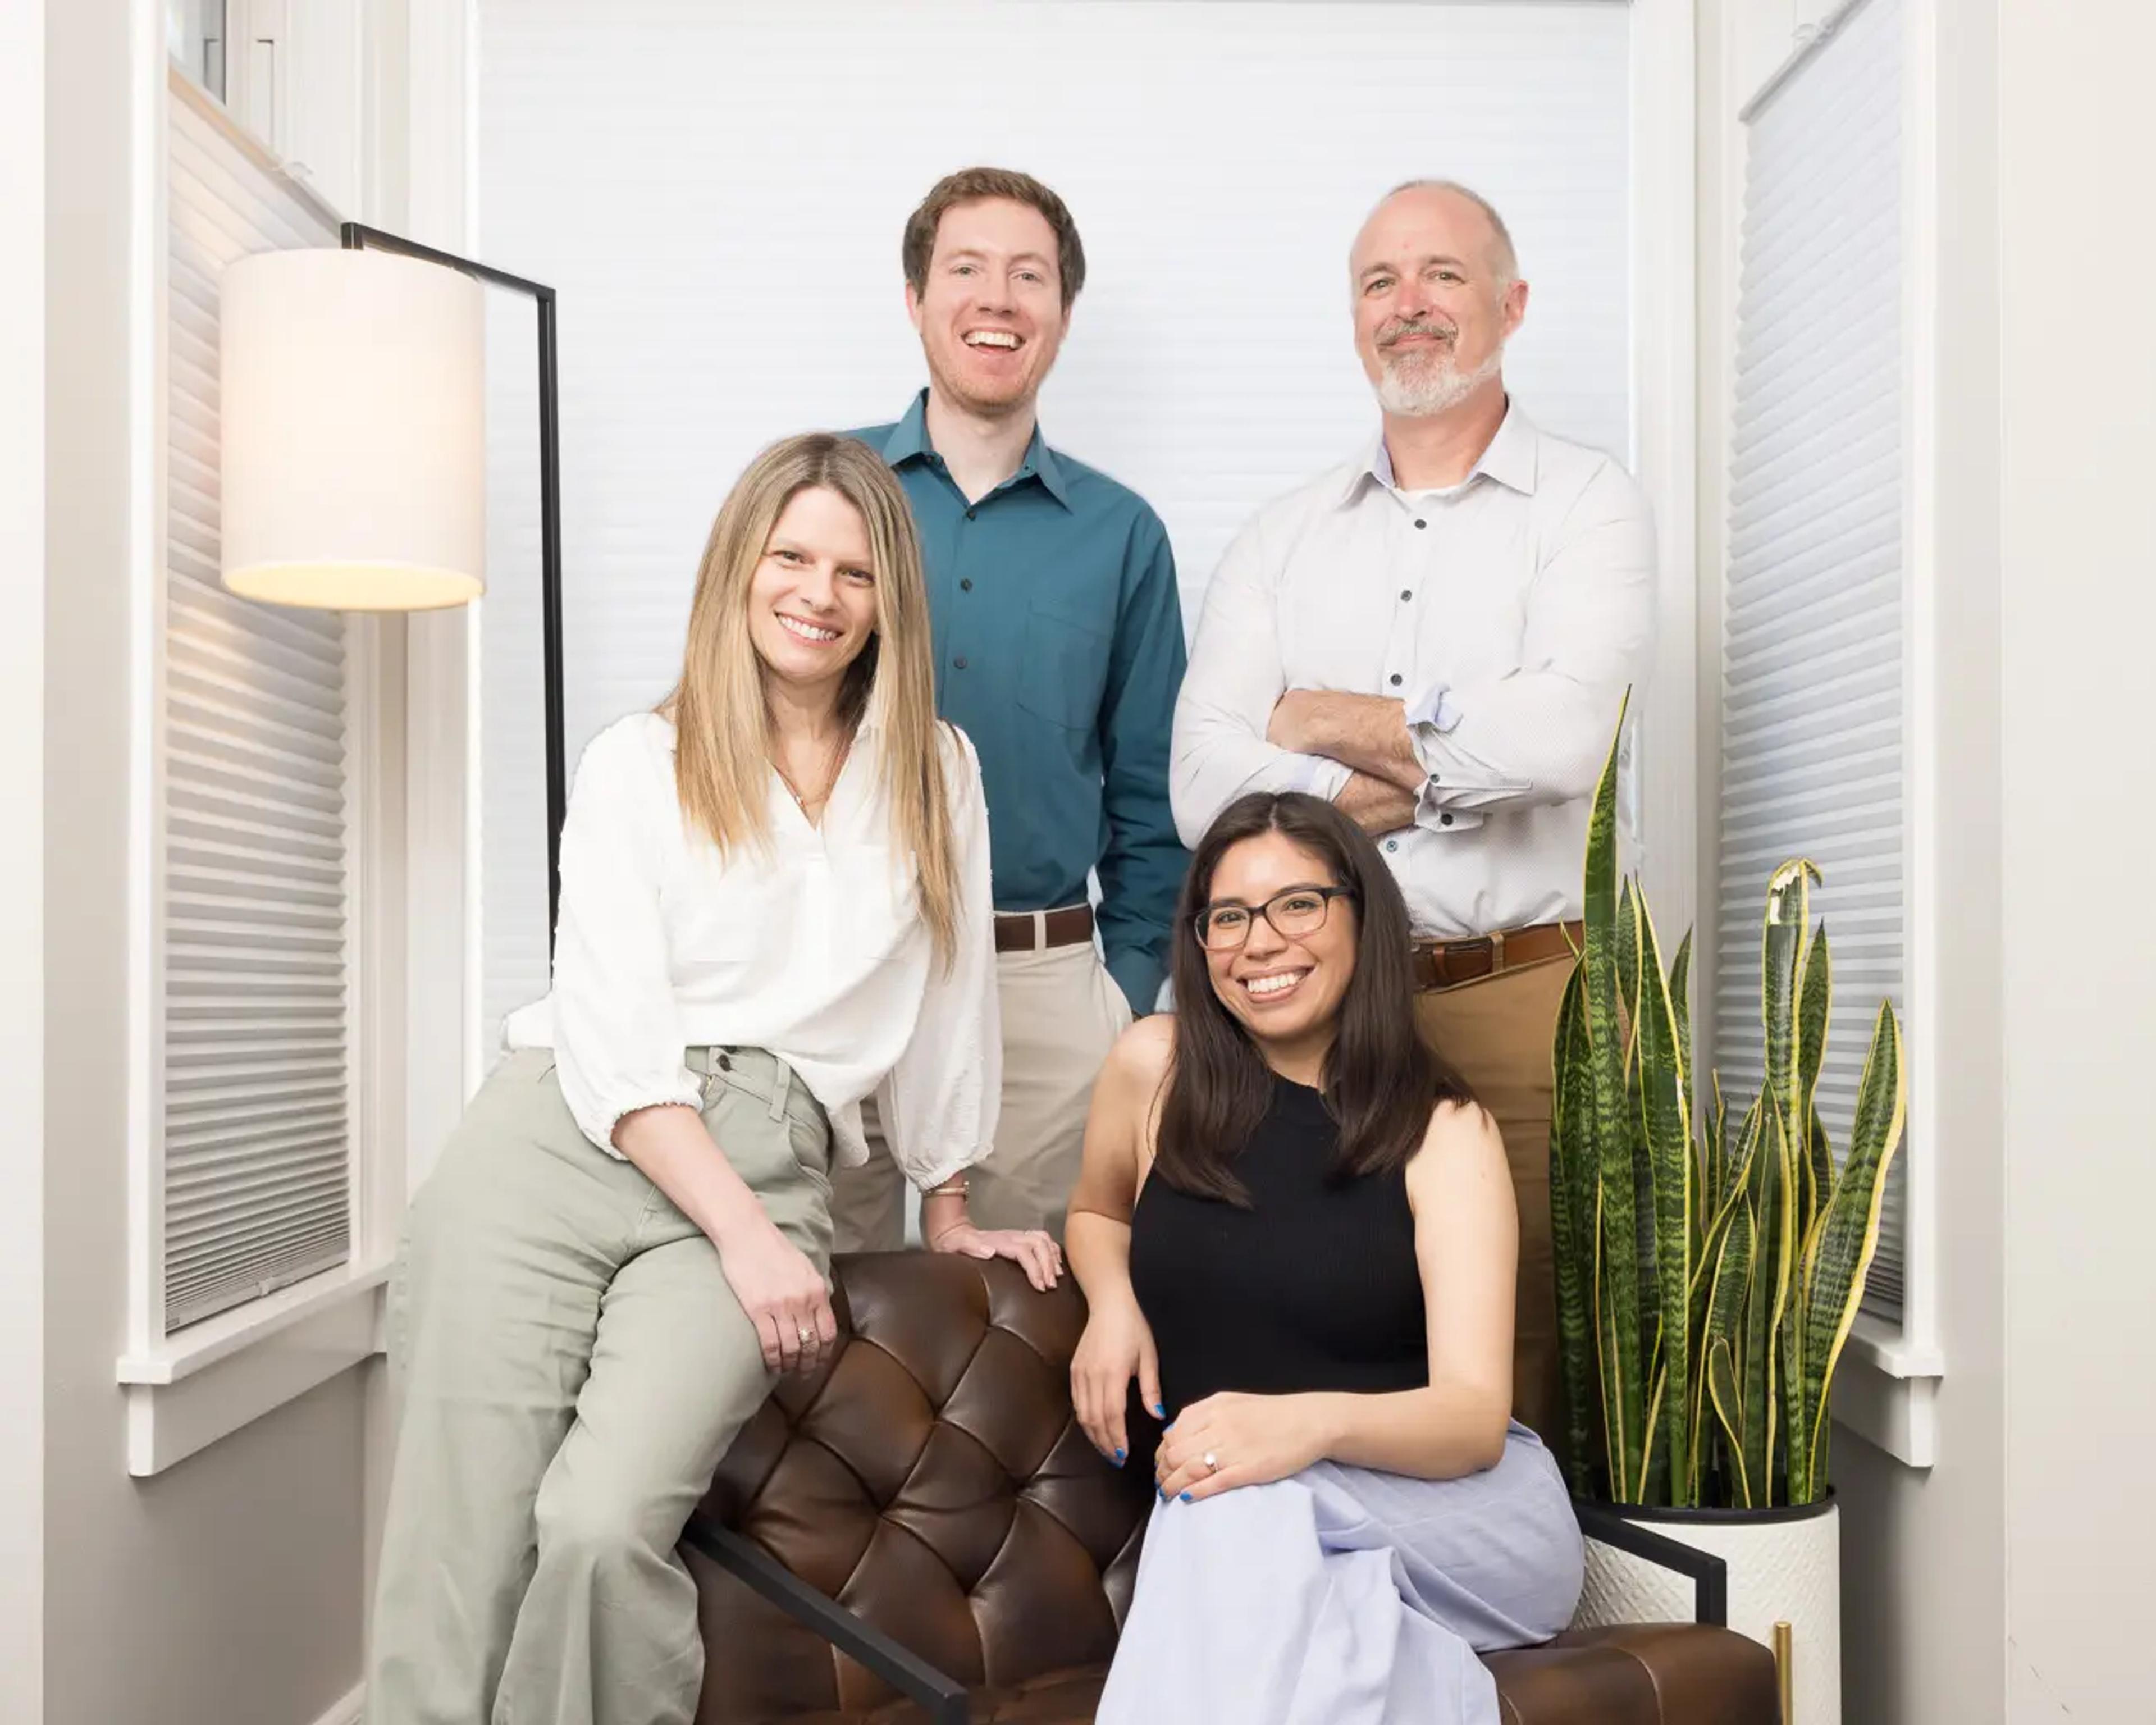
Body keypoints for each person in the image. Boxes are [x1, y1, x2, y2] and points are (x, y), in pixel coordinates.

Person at [365, 433, 1059, 1725]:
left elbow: (950, 995)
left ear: (888, 602)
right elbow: (614, 1035)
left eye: (856, 571)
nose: (820, 593)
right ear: (739, 569)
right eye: (792, 556)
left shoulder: (936, 769)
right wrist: (747, 1239)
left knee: (599, 1520)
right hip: (565, 1136)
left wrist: (948, 1200)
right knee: (456, 1551)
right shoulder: (642, 758)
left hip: (771, 1144)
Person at [1168, 179, 1656, 1453]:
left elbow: (1563, 740)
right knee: (1305, 1329)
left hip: (1512, 996)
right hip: (1310, 1010)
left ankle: (1532, 1647)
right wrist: (1444, 754)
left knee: (1535, 1355)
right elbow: (1199, 782)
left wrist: (1321, 718)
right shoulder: (1283, 538)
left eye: (1443, 274)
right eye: (1380, 282)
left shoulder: (1587, 504)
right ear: (1353, 318)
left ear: (1513, 302)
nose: (1410, 306)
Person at [1066, 791, 1582, 1724]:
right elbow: (1098, 1211)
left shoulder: (1443, 1130)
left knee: (1225, 1508)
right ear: (1201, 940)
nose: (1260, 943)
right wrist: (1111, 1303)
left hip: (1464, 1518)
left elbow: (1471, 1418)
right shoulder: (1155, 1067)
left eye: (1298, 904)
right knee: (1251, 1539)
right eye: (1229, 916)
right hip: (1247, 1520)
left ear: (1362, 916)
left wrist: (1301, 1429)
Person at [831, 166, 1190, 1251]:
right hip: (837, 970)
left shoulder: (1123, 536)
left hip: (1037, 997)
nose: (999, 299)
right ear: (915, 299)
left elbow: (1151, 792)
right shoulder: (828, 497)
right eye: (967, 269)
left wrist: (1119, 998)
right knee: (816, 1323)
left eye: (1028, 276)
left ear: (1063, 318)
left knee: (1016, 1340)